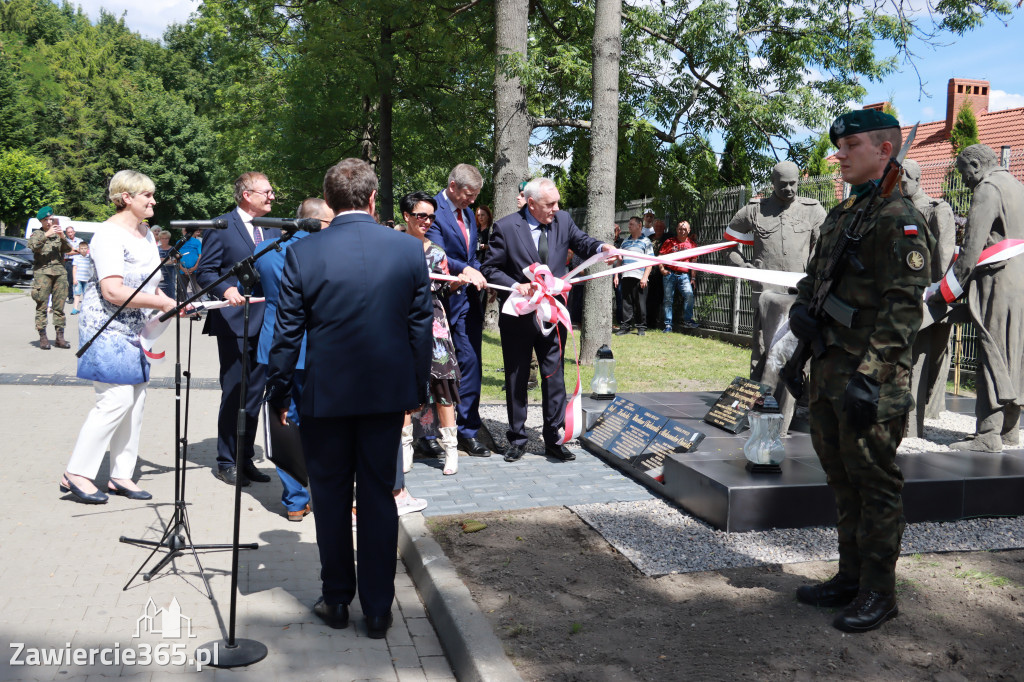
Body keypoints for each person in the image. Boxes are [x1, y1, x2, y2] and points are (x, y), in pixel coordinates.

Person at [266, 158, 432, 639]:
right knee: (378, 497)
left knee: (333, 499)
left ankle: (337, 598)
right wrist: (416, 391)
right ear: (373, 198)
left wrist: (277, 390)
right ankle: (378, 609)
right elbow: (419, 328)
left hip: (326, 398)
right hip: (385, 397)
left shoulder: (303, 253)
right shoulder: (407, 250)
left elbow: (287, 332)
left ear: (330, 201)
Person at [790, 110, 931, 633]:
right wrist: (802, 310)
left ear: (884, 150)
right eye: (839, 145)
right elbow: (815, 278)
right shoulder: (842, 216)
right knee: (841, 479)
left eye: (851, 145)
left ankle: (879, 592)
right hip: (829, 369)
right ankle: (849, 577)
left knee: (874, 483)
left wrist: (871, 376)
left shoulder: (898, 218)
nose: (840, 154)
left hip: (871, 376)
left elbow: (903, 308)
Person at [60, 170, 177, 504]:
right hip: (106, 329)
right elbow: (112, 290)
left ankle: (120, 474)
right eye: (147, 195)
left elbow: (151, 284)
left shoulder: (146, 233)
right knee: (115, 400)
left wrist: (165, 308)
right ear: (126, 197)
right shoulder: (108, 235)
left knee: (136, 402)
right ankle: (77, 473)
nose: (154, 201)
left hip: (138, 328)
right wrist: (162, 302)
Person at [482, 177, 615, 462]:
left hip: (552, 314)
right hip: (519, 315)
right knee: (517, 377)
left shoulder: (563, 220)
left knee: (554, 376)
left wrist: (601, 248)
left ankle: (553, 438)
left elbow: (582, 242)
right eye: (549, 204)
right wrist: (517, 285)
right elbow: (490, 269)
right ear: (531, 204)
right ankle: (517, 438)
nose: (556, 208)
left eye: (557, 203)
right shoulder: (505, 228)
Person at [927, 144, 1024, 452]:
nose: (964, 179)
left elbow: (970, 253)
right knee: (1013, 353)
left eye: (963, 172)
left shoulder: (987, 190)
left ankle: (988, 434)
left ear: (975, 165)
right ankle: (1010, 429)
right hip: (1018, 282)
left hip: (995, 283)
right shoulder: (1017, 186)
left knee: (991, 350)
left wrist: (942, 291)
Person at [195, 172, 281, 487]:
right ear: (247, 194)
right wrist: (225, 290)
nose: (272, 196)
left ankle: (245, 460)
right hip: (235, 322)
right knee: (235, 392)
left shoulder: (273, 228)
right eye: (267, 192)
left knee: (256, 395)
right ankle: (226, 460)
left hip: (267, 320)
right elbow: (205, 271)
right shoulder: (221, 226)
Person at [254, 198, 332, 522]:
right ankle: (332, 494)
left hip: (276, 346)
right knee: (326, 425)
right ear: (315, 223)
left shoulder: (267, 250)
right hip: (316, 347)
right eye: (329, 221)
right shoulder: (325, 251)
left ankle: (295, 501)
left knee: (283, 423)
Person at [728, 161, 826, 380]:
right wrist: (745, 268)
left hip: (799, 295)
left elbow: (824, 247)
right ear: (772, 182)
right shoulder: (754, 211)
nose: (789, 189)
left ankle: (799, 403)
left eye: (793, 184)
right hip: (766, 295)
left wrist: (812, 274)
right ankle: (759, 396)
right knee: (763, 348)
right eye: (783, 184)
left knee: (801, 349)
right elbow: (727, 245)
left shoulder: (813, 211)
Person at [401, 191, 469, 476]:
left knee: (443, 385)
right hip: (401, 321)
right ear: (407, 216)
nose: (427, 221)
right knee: (402, 385)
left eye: (431, 216)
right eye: (421, 215)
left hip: (434, 323)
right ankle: (405, 450)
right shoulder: (395, 246)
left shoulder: (437, 253)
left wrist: (457, 283)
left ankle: (450, 451)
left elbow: (441, 290)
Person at [425, 164, 491, 458]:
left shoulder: (468, 215)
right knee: (431, 368)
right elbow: (437, 255)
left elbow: (470, 255)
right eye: (468, 194)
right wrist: (465, 268)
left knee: (470, 363)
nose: (472, 201)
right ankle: (427, 431)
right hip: (437, 303)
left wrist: (481, 275)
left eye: (476, 195)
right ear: (452, 186)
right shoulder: (432, 211)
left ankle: (466, 431)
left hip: (467, 303)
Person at [902, 159, 957, 437]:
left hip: (932, 298)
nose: (898, 188)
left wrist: (939, 293)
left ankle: (927, 410)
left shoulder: (937, 210)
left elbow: (945, 255)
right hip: (902, 296)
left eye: (902, 182)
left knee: (932, 358)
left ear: (916, 179)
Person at [28, 207, 72, 350]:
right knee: (42, 306)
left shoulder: (59, 234)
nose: (49, 222)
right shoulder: (37, 234)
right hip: (43, 273)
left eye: (50, 219)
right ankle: (43, 337)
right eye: (46, 220)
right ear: (41, 221)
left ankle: (60, 337)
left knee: (59, 307)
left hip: (59, 273)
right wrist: (47, 234)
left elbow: (68, 249)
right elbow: (34, 246)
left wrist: (62, 236)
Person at [613, 216, 653, 336]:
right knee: (626, 303)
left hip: (640, 277)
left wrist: (645, 277)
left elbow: (650, 261)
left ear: (639, 226)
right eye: (629, 224)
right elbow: (620, 260)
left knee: (640, 303)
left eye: (631, 224)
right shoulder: (625, 241)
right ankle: (625, 327)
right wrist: (616, 275)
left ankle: (641, 327)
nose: (629, 226)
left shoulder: (646, 242)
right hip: (626, 276)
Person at [659, 220, 698, 331]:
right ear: (676, 229)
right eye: (680, 228)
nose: (682, 231)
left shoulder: (692, 244)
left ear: (689, 230)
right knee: (668, 300)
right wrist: (662, 270)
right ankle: (668, 325)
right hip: (669, 273)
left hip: (684, 275)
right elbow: (660, 256)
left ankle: (687, 321)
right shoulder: (669, 242)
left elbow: (694, 263)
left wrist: (693, 278)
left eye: (685, 229)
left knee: (689, 295)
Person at [177, 228, 203, 298]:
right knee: (181, 291)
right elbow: (176, 257)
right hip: (182, 271)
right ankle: (182, 307)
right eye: (184, 231)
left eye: (187, 231)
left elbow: (200, 256)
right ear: (182, 232)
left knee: (196, 291)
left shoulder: (197, 242)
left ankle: (197, 307)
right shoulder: (179, 242)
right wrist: (182, 268)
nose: (186, 232)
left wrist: (195, 267)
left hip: (195, 270)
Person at [70, 241, 93, 314]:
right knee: (77, 294)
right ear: (79, 249)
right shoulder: (76, 258)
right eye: (81, 248)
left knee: (86, 294)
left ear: (87, 249)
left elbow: (92, 268)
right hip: (78, 279)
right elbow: (74, 268)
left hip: (87, 279)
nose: (83, 250)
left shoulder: (90, 258)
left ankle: (85, 309)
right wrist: (74, 278)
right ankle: (75, 308)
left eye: (85, 248)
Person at [63, 225, 82, 302]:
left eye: (71, 232)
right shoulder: (65, 242)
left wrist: (73, 250)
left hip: (79, 262)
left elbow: (83, 250)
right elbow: (67, 252)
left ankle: (80, 296)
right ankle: (71, 297)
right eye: (68, 232)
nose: (70, 234)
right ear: (66, 233)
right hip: (69, 262)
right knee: (70, 280)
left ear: (74, 232)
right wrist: (77, 251)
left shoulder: (80, 241)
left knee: (80, 279)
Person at [156, 230, 177, 300]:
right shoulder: (156, 249)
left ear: (169, 239)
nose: (164, 240)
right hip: (159, 272)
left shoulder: (173, 249)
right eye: (162, 238)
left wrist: (167, 261)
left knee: (170, 289)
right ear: (160, 239)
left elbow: (176, 260)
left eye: (166, 238)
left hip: (170, 272)